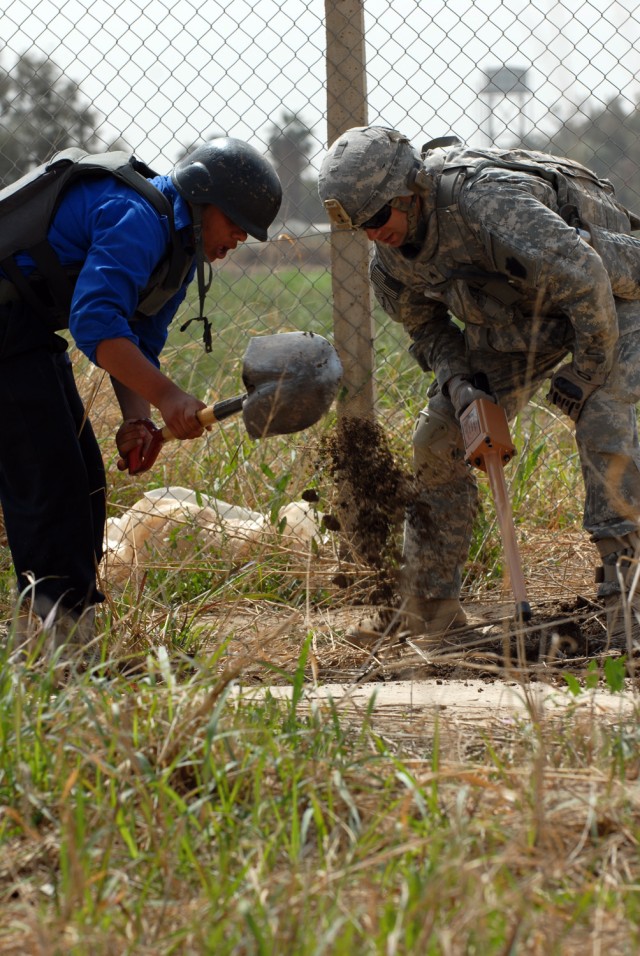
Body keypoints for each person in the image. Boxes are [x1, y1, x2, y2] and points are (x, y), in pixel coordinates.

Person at [318, 125, 640, 644]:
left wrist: (586, 371)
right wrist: (460, 383)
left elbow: (587, 278)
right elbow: (426, 327)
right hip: (517, 325)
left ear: (411, 192)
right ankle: (428, 607)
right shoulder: (391, 265)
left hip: (609, 299)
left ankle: (627, 597)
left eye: (379, 217)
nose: (374, 235)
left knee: (602, 422)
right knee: (439, 437)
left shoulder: (488, 203)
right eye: (361, 226)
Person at [0, 137, 282, 653]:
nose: (241, 237)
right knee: (51, 477)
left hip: (23, 333)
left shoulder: (179, 252)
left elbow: (135, 338)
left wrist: (137, 421)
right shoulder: (136, 218)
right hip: (8, 332)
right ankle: (52, 651)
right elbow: (94, 322)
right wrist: (169, 397)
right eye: (236, 220)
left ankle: (68, 637)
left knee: (83, 480)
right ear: (202, 200)